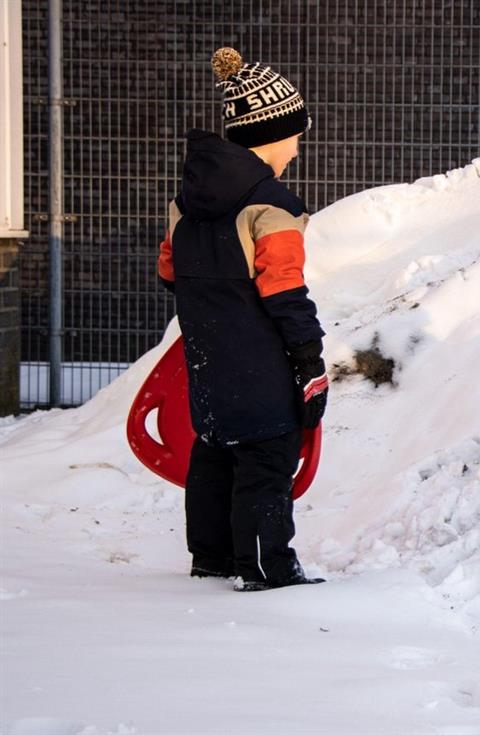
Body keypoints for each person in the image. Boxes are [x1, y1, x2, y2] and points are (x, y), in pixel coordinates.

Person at [156, 47, 328, 591]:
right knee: (266, 458)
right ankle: (264, 568)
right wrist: (308, 358)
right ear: (271, 137)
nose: (298, 150)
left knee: (214, 449)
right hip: (259, 361)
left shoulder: (187, 200)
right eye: (295, 136)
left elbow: (168, 271)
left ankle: (211, 557)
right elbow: (285, 292)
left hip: (207, 355)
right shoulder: (271, 206)